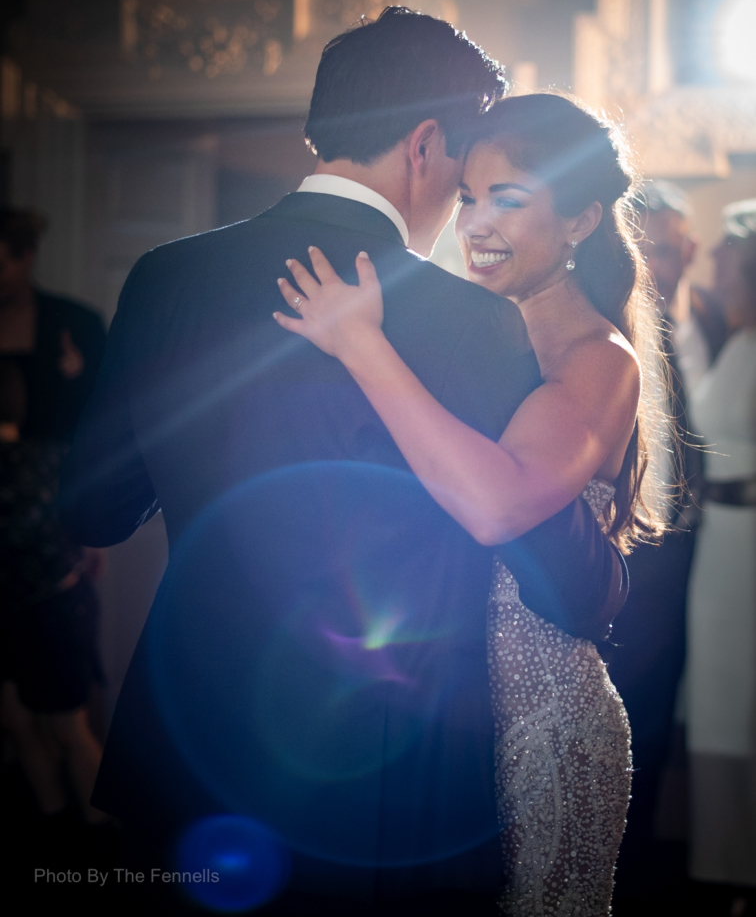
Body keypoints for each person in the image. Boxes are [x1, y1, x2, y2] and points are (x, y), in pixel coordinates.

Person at [60, 9, 626, 914]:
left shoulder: (166, 276)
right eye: (465, 165)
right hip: (385, 772)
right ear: (427, 142)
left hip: (191, 737)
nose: (465, 201)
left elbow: (93, 509)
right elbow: (553, 572)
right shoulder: (472, 320)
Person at [273, 92, 667, 915]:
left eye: (509, 201)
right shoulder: (465, 335)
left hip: (539, 720)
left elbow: (497, 509)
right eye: (469, 198)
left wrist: (360, 343)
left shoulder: (601, 358)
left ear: (580, 220)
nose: (476, 224)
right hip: (435, 719)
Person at [609, 181, 727, 905]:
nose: (670, 258)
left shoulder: (714, 318)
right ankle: (626, 858)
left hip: (701, 550)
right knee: (634, 704)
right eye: (654, 244)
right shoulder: (611, 320)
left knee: (684, 703)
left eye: (680, 244)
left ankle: (662, 856)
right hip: (633, 550)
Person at [685, 200, 756, 905]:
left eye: (730, 266)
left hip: (751, 541)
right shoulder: (731, 341)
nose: (719, 277)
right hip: (718, 551)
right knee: (716, 696)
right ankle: (723, 864)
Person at [0, 359, 106, 826]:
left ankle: (104, 840)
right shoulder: (53, 460)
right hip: (52, 607)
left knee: (65, 727)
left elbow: (87, 543)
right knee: (18, 719)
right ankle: (58, 826)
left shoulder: (47, 460)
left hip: (49, 611)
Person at [0, 208, 107, 444]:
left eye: (1, 268)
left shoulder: (76, 322)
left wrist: (80, 375)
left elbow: (108, 404)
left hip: (50, 467)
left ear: (27, 257)